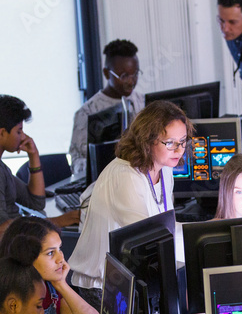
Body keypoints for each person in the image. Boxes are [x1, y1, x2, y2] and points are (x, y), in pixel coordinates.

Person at [69, 100, 191, 299]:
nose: (179, 150)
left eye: (183, 141)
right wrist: (195, 238)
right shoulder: (125, 175)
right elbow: (150, 236)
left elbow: (164, 226)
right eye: (170, 143)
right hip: (100, 287)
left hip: (131, 280)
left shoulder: (165, 170)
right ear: (147, 140)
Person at [0, 95, 81, 243]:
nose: (23, 136)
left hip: (16, 244)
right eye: (19, 131)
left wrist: (33, 155)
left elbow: (36, 202)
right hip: (12, 252)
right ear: (1, 133)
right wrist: (56, 222)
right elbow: (0, 229)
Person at [69, 39, 146, 177]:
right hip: (105, 183)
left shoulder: (144, 103)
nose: (131, 81)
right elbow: (76, 162)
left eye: (135, 74)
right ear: (106, 73)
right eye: (124, 76)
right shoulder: (87, 112)